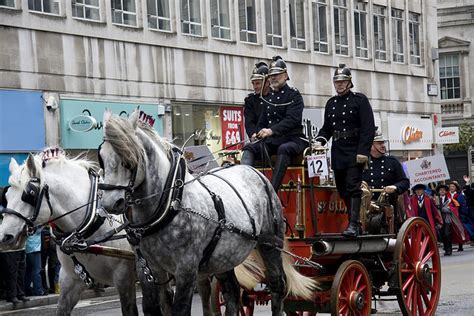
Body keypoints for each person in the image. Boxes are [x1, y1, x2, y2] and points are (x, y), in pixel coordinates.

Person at [316, 64, 376, 237]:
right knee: (342, 189)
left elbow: (368, 128)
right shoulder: (331, 103)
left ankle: (354, 224)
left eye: (343, 81)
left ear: (350, 83)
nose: (339, 84)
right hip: (338, 150)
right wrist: (319, 141)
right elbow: (327, 128)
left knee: (353, 186)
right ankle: (354, 221)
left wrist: (363, 151)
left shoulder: (359, 100)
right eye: (337, 81)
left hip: (355, 149)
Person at [241, 56, 307, 192]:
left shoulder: (293, 95)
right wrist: (257, 134)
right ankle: (244, 186)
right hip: (273, 141)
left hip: (293, 139)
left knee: (284, 148)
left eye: (277, 75)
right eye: (271, 76)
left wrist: (271, 131)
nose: (273, 78)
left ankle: (272, 191)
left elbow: (292, 120)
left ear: (285, 75)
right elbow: (262, 122)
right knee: (249, 148)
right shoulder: (268, 99)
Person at [362, 129, 409, 228]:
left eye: (383, 143)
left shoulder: (392, 161)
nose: (383, 145)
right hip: (365, 206)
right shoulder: (362, 163)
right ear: (371, 145)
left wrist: (395, 187)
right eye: (379, 143)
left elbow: (405, 182)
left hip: (387, 205)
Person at [435, 184, 467, 256]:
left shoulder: (450, 199)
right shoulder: (436, 200)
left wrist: (443, 209)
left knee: (447, 233)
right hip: (439, 220)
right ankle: (446, 249)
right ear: (439, 191)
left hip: (447, 219)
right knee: (442, 235)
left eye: (443, 190)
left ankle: (449, 250)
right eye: (440, 190)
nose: (442, 191)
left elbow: (453, 209)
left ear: (446, 191)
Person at [244, 61, 270, 141]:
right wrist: (253, 134)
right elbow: (249, 121)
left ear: (267, 82)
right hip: (257, 139)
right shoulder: (250, 100)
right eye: (253, 83)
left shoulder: (276, 97)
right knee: (247, 152)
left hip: (273, 138)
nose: (255, 87)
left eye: (258, 83)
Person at [447, 180, 472, 250]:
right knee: (450, 230)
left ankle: (460, 244)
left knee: (459, 229)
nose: (451, 188)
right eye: (450, 186)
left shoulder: (459, 195)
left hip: (458, 214)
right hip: (448, 215)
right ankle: (449, 245)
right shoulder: (447, 195)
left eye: (453, 186)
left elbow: (462, 204)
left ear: (456, 188)